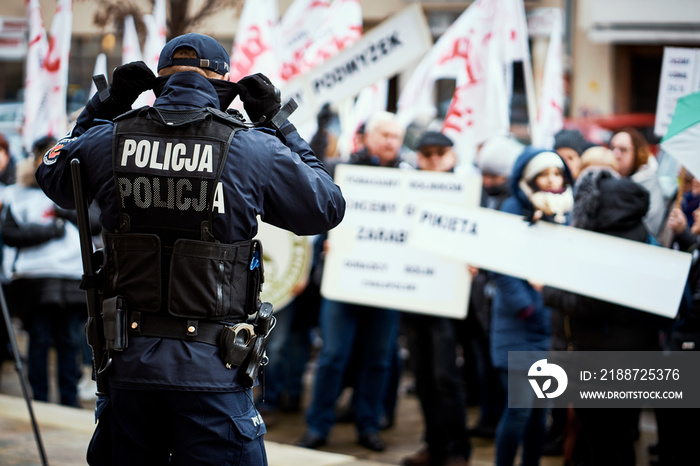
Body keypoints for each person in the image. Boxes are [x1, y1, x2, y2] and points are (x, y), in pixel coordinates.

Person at [36, 33, 345, 465]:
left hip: (129, 369)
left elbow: (52, 173)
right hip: (213, 374)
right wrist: (277, 120)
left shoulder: (108, 137)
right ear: (222, 83)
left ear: (159, 81)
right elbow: (326, 205)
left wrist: (102, 106)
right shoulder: (253, 146)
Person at [542, 166, 666, 465]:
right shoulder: (642, 235)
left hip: (600, 358)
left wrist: (548, 290)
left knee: (602, 442)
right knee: (621, 438)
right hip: (636, 354)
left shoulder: (606, 246)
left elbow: (589, 303)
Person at [297, 111, 405, 452]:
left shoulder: (410, 178)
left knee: (378, 358)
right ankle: (318, 426)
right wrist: (324, 241)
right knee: (332, 356)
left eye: (396, 136)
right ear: (367, 137)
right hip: (344, 281)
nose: (391, 142)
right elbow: (318, 214)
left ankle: (368, 424)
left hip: (386, 285)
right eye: (384, 134)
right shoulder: (339, 171)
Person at [491, 148, 573, 466]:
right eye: (545, 174)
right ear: (530, 178)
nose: (552, 180)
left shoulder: (566, 212)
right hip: (519, 325)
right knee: (519, 410)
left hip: (548, 328)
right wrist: (529, 307)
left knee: (540, 413)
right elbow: (504, 266)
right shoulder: (514, 208)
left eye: (557, 173)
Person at [400, 131, 471, 466]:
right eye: (426, 154)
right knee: (424, 378)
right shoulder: (405, 190)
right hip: (413, 296)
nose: (432, 159)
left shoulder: (467, 193)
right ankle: (435, 446)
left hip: (445, 298)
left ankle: (457, 449)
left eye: (439, 153)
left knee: (445, 377)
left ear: (453, 156)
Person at [1, 136, 87, 407]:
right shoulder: (19, 195)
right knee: (40, 338)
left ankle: (68, 400)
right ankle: (39, 400)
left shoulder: (80, 191)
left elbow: (97, 223)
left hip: (73, 278)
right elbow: (9, 233)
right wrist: (51, 230)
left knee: (69, 340)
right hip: (35, 279)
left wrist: (66, 213)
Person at [609, 127, 666, 238]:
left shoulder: (649, 183)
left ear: (638, 153)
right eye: (612, 147)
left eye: (623, 149)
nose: (616, 154)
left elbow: (650, 227)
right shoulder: (608, 179)